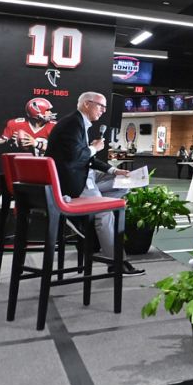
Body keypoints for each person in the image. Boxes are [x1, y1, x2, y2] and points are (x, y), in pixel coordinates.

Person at [44, 91, 140, 276]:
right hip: (72, 183)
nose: (103, 111)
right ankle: (117, 262)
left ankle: (93, 208)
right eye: (100, 106)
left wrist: (113, 170)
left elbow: (86, 159)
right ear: (87, 104)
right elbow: (74, 158)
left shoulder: (79, 123)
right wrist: (93, 148)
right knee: (105, 213)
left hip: (83, 175)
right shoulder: (72, 124)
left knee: (122, 182)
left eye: (105, 107)